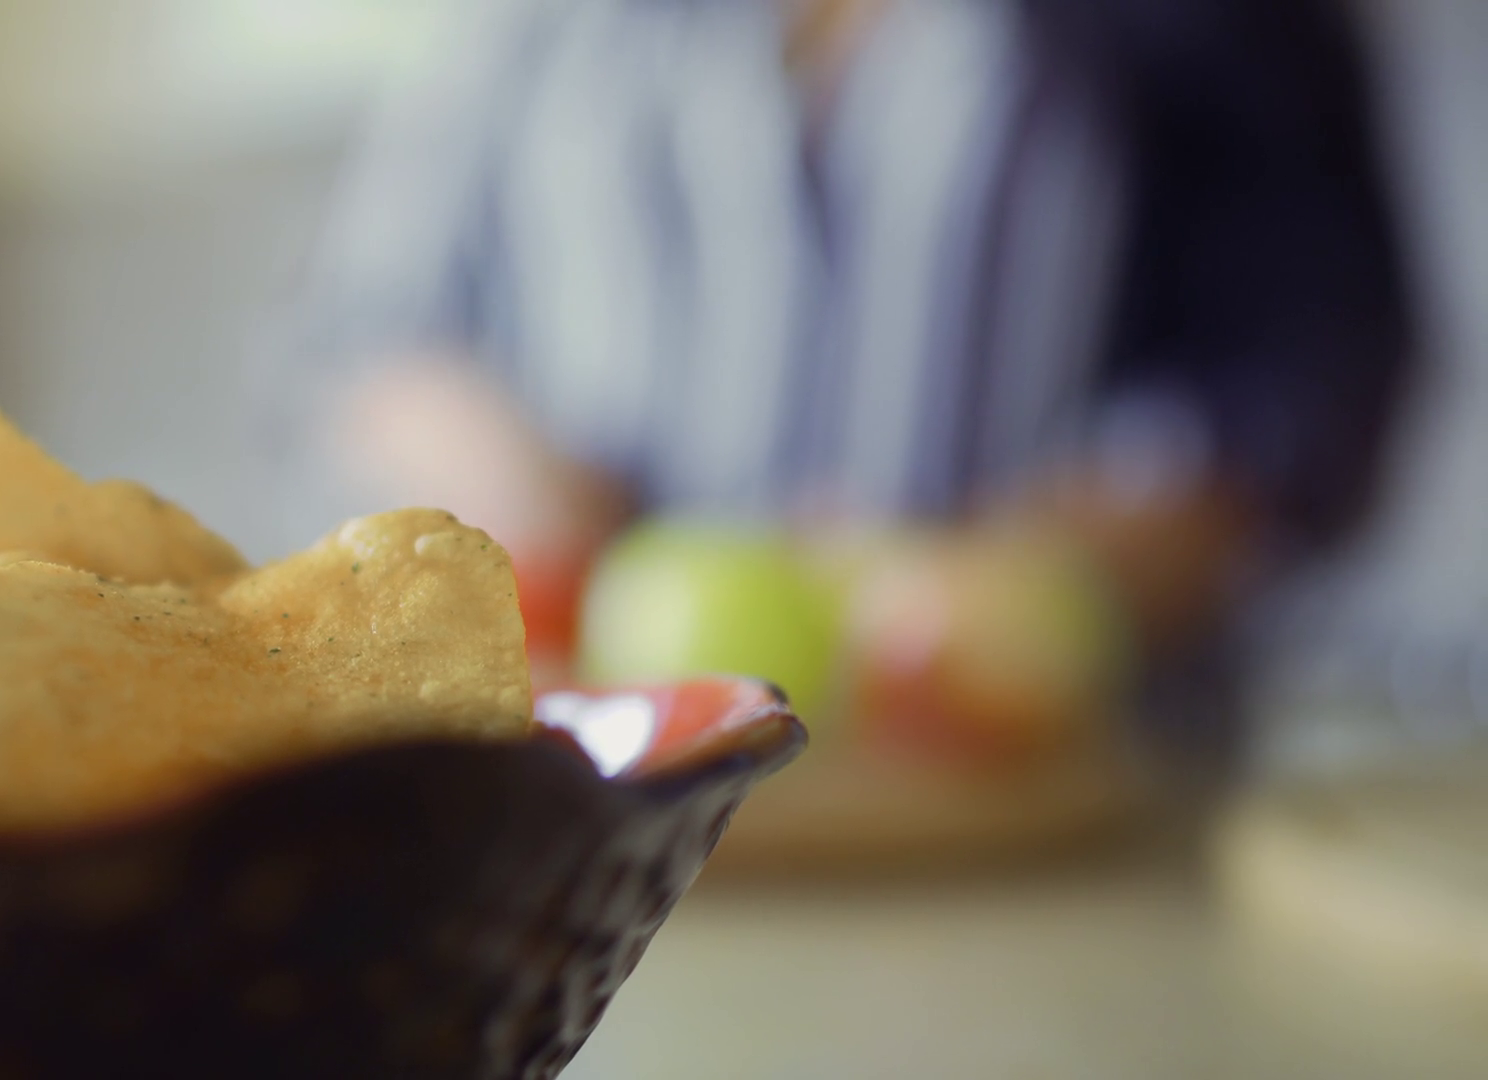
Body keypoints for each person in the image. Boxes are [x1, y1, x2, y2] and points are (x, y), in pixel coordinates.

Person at [281, 0, 1417, 755]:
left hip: (1054, 804)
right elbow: (367, 325)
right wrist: (518, 500)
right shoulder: (526, 24)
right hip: (591, 784)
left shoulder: (1215, 21)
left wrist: (1032, 588)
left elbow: (1303, 376)